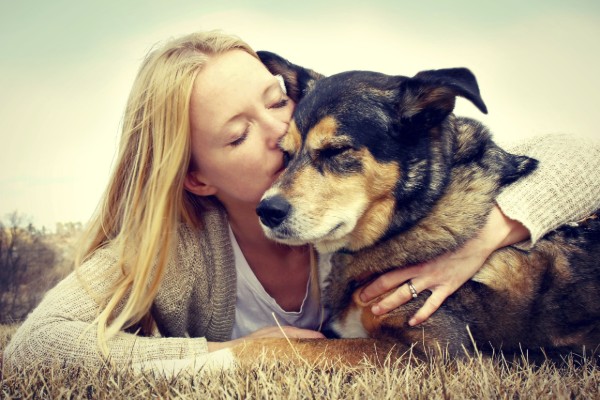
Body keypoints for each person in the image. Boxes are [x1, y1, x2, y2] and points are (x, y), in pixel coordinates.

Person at [4, 30, 600, 373]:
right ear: (197, 178)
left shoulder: (365, 215)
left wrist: (482, 240)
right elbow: (35, 349)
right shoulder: (177, 251)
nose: (280, 135)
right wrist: (234, 356)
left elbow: (580, 159)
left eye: (276, 99)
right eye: (237, 135)